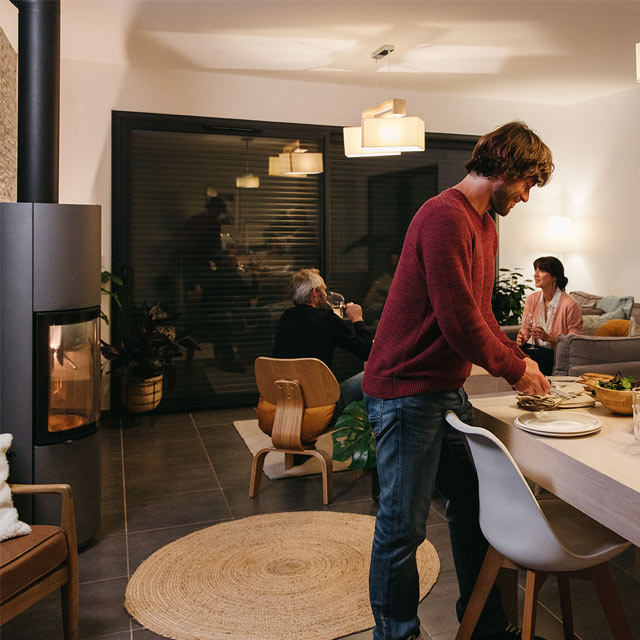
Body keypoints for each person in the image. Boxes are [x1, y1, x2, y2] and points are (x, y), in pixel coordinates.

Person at [361, 121, 554, 640]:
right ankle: (397, 634)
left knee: (475, 506)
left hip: (442, 391)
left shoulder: (485, 223)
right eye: (527, 183)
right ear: (507, 168)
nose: (526, 196)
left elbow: (482, 313)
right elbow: (457, 322)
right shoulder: (443, 217)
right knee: (402, 531)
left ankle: (483, 622)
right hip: (405, 391)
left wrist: (520, 359)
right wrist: (515, 369)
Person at [272, 268, 372, 422]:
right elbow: (367, 352)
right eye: (324, 290)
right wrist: (357, 319)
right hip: (322, 407)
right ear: (314, 293)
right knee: (372, 374)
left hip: (286, 405)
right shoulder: (327, 319)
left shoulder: (285, 318)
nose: (326, 295)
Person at [516, 256, 583, 375]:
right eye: (535, 270)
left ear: (554, 277)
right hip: (537, 352)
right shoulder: (532, 299)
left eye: (541, 271)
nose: (536, 275)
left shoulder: (570, 305)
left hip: (556, 355)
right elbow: (525, 328)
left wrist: (549, 338)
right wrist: (521, 338)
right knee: (515, 353)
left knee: (528, 364)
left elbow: (575, 341)